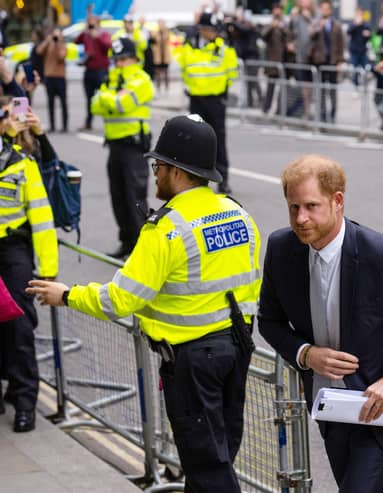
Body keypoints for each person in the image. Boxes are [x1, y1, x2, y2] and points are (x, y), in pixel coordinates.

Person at [27, 114, 261, 493]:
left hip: (192, 361)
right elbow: (250, 285)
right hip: (236, 348)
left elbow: (121, 298)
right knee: (220, 453)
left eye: (158, 166)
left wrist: (66, 295)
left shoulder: (167, 229)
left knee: (207, 467)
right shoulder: (238, 214)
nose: (154, 174)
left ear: (177, 170)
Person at [258, 154, 383, 492]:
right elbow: (269, 321)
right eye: (293, 208)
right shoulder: (280, 248)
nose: (301, 218)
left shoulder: (382, 253)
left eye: (311, 206)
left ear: (337, 202)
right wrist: (306, 354)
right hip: (331, 407)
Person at [0, 98, 58, 433]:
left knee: (20, 327)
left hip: (12, 252)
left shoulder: (22, 165)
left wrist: (48, 272)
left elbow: (42, 220)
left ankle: (25, 401)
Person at [91, 37, 154, 259]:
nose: (119, 64)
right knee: (117, 197)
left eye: (124, 59)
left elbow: (120, 104)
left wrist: (108, 98)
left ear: (134, 58)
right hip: (115, 146)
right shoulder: (113, 80)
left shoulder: (141, 79)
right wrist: (111, 98)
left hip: (134, 147)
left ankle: (141, 248)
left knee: (135, 198)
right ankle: (127, 243)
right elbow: (94, 104)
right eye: (117, 60)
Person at [179, 12, 238, 194]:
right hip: (196, 100)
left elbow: (232, 73)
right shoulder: (189, 47)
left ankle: (223, 180)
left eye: (214, 30)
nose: (213, 33)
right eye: (209, 29)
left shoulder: (223, 48)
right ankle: (195, 181)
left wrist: (220, 90)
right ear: (202, 30)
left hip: (215, 101)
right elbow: (184, 68)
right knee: (195, 141)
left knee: (218, 141)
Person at [308, 0, 344, 123]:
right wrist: (319, 28)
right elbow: (311, 36)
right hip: (320, 61)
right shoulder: (316, 23)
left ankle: (333, 115)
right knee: (322, 90)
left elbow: (341, 44)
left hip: (333, 61)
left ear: (330, 10)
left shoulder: (336, 25)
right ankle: (322, 115)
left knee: (332, 90)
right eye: (322, 9)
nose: (324, 11)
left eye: (326, 9)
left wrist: (340, 61)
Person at [75, 15, 111, 131]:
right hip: (89, 71)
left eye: (93, 22)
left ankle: (108, 122)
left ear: (98, 23)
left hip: (101, 71)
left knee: (105, 98)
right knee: (89, 99)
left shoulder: (103, 34)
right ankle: (88, 122)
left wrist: (97, 37)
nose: (91, 24)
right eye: (89, 22)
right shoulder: (86, 35)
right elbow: (76, 41)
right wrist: (85, 30)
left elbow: (108, 46)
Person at [36, 27, 68, 133]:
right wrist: (47, 40)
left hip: (60, 77)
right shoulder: (48, 45)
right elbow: (38, 51)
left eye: (57, 35)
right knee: (50, 102)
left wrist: (58, 43)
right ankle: (52, 125)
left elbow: (61, 57)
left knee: (63, 102)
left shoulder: (63, 46)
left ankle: (64, 125)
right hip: (49, 77)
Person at [228, 8, 262, 108]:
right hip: (245, 58)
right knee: (248, 81)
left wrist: (233, 22)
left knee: (254, 81)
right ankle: (250, 103)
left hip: (252, 57)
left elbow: (244, 29)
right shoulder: (239, 26)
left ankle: (261, 100)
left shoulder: (249, 25)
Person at [288, 0, 315, 118]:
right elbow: (290, 32)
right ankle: (306, 110)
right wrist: (290, 43)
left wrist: (310, 19)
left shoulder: (315, 15)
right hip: (300, 57)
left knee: (313, 87)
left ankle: (310, 110)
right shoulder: (296, 17)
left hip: (314, 58)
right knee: (303, 86)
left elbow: (317, 30)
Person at [262, 3, 288, 115]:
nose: (277, 13)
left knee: (282, 89)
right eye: (276, 10)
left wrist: (281, 28)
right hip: (272, 62)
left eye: (279, 10)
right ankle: (266, 109)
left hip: (283, 62)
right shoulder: (269, 24)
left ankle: (279, 110)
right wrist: (272, 26)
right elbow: (263, 35)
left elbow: (289, 36)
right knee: (270, 87)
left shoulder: (285, 25)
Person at [347, 7, 371, 89]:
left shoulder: (365, 24)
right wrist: (356, 24)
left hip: (363, 50)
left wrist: (368, 35)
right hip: (354, 51)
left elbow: (369, 35)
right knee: (355, 70)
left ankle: (365, 85)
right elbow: (349, 31)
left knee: (365, 69)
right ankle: (355, 86)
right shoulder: (352, 23)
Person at [152, 19, 172, 93]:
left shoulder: (167, 32)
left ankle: (167, 89)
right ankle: (158, 89)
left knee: (166, 73)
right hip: (158, 56)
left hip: (165, 56)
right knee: (158, 74)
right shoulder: (156, 33)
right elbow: (156, 40)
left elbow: (166, 39)